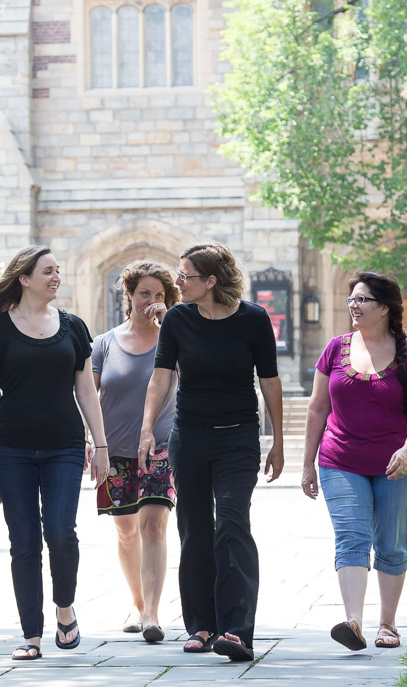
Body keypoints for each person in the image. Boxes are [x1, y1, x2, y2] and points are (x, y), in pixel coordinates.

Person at [139, 243, 284, 662]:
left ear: (211, 281)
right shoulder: (179, 320)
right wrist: (148, 430)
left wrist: (275, 439)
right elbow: (160, 378)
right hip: (190, 436)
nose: (177, 282)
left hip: (238, 437)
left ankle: (237, 631)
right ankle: (201, 624)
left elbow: (269, 381)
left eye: (185, 276)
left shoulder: (254, 319)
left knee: (233, 524)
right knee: (195, 527)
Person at [0, 245, 109, 661]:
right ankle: (31, 635)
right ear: (24, 279)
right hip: (10, 447)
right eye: (48, 271)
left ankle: (65, 607)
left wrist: (100, 444)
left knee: (61, 534)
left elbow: (86, 390)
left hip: (65, 444)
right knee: (23, 541)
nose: (56, 277)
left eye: (58, 270)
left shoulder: (74, 327)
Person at [300, 271, 407, 651]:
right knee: (351, 538)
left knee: (391, 544)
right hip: (340, 459)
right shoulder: (335, 348)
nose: (353, 306)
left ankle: (388, 624)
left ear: (384, 308)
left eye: (361, 300)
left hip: (399, 464)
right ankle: (353, 622)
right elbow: (316, 409)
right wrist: (308, 463)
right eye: (352, 299)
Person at [92, 261, 179, 642]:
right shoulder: (105, 343)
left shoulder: (175, 341)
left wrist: (173, 328)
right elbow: (86, 395)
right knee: (126, 531)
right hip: (116, 450)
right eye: (145, 293)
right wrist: (90, 440)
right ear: (128, 295)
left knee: (154, 525)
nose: (151, 301)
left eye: (159, 295)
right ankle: (137, 601)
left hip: (161, 447)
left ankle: (152, 614)